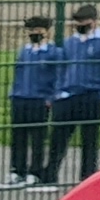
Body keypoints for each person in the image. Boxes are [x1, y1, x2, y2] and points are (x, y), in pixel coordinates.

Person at [57, 2, 100, 180]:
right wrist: (58, 92)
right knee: (59, 137)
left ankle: (87, 177)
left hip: (92, 95)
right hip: (68, 96)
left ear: (94, 21)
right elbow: (60, 67)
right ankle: (50, 176)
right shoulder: (70, 43)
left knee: (90, 139)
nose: (80, 26)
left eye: (84, 22)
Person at [8, 14, 63, 185]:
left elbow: (59, 76)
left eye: (38, 30)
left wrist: (51, 97)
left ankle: (35, 171)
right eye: (31, 30)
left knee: (38, 137)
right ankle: (17, 170)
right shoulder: (24, 51)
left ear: (47, 32)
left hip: (40, 99)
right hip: (21, 97)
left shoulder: (54, 53)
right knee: (18, 136)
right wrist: (14, 93)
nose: (34, 33)